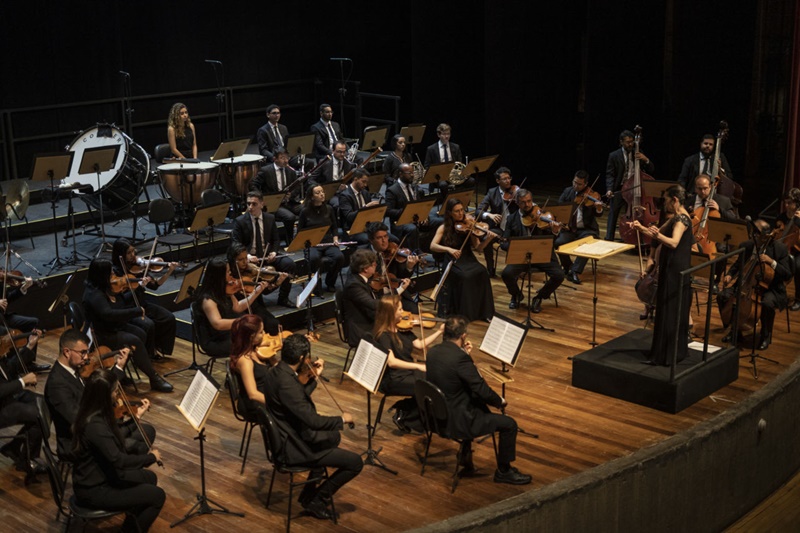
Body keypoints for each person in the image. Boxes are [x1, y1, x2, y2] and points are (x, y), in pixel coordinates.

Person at [263, 334, 363, 520]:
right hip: (295, 448)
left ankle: (308, 492)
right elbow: (313, 421)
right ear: (302, 358)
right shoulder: (287, 384)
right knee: (355, 463)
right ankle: (317, 500)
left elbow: (296, 401)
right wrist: (342, 419)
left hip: (288, 435)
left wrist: (313, 379)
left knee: (333, 437)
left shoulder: (276, 372)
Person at [425, 316, 531, 485]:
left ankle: (465, 454)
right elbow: (480, 388)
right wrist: (500, 402)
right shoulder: (460, 359)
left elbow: (454, 377)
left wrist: (465, 355)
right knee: (509, 424)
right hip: (459, 421)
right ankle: (504, 471)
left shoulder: (432, 352)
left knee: (475, 404)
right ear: (463, 336)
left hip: (437, 417)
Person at [71, 369, 165, 533]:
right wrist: (150, 457)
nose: (117, 395)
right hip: (95, 489)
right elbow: (119, 460)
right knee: (158, 496)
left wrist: (135, 419)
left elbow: (115, 435)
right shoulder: (95, 425)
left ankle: (130, 524)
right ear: (104, 396)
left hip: (105, 474)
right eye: (115, 391)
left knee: (150, 478)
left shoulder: (95, 414)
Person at [44, 329, 156, 458]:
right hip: (79, 442)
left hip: (94, 429)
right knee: (134, 446)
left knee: (147, 431)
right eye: (82, 353)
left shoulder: (73, 371)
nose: (86, 357)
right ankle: (118, 472)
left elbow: (97, 391)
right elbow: (78, 421)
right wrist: (112, 426)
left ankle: (122, 469)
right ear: (67, 352)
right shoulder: (57, 384)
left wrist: (118, 366)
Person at [82, 259, 173, 393]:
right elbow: (109, 314)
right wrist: (134, 312)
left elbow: (123, 300)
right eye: (111, 273)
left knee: (141, 332)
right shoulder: (94, 295)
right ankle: (154, 378)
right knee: (134, 340)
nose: (114, 276)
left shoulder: (105, 288)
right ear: (102, 276)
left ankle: (121, 370)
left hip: (113, 327)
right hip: (102, 334)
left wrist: (140, 286)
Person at [629, 184, 693, 365]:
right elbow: (656, 232)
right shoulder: (676, 218)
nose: (663, 204)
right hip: (670, 268)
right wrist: (640, 228)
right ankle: (670, 352)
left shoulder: (681, 220)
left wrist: (657, 236)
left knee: (671, 310)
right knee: (667, 309)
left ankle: (667, 355)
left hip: (675, 270)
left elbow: (673, 243)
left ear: (675, 200)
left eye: (665, 200)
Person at [717, 219, 792, 350]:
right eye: (754, 233)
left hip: (771, 287)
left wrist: (771, 262)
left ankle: (765, 335)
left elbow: (787, 274)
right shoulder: (747, 245)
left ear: (766, 235)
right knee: (722, 295)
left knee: (767, 304)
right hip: (747, 285)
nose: (754, 236)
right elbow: (737, 265)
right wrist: (729, 274)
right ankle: (736, 331)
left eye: (758, 234)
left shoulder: (779, 249)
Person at [373, 295, 441, 433]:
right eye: (400, 309)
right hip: (394, 378)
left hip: (408, 373)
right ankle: (406, 417)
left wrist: (440, 332)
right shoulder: (383, 336)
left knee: (436, 379)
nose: (404, 312)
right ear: (390, 313)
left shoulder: (403, 329)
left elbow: (420, 345)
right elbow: (392, 362)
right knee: (429, 387)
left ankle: (404, 408)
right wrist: (417, 365)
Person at [111, 238, 178, 360]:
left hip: (142, 304)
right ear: (120, 254)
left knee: (168, 318)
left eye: (133, 252)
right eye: (129, 253)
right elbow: (122, 299)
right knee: (148, 324)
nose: (133, 256)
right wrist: (139, 286)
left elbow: (155, 286)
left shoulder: (138, 267)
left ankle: (160, 347)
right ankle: (147, 355)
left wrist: (169, 271)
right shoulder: (116, 273)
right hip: (129, 309)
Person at [430, 198, 495, 322]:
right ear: (450, 213)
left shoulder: (469, 225)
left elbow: (478, 248)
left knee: (482, 271)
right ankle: (467, 313)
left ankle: (484, 312)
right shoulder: (443, 228)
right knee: (465, 276)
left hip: (467, 257)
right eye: (457, 211)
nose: (461, 214)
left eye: (462, 210)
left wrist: (487, 240)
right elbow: (432, 245)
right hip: (453, 260)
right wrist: (449, 249)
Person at [500, 189, 564, 313]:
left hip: (542, 255)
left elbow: (552, 241)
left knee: (559, 275)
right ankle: (516, 295)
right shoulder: (512, 218)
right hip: (521, 257)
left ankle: (540, 296)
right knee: (506, 274)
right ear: (517, 203)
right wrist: (514, 246)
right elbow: (504, 242)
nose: (528, 205)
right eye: (523, 202)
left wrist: (555, 231)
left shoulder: (543, 215)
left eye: (529, 201)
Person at [231, 191, 297, 307]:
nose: (250, 207)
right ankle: (255, 299)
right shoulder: (240, 221)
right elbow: (235, 243)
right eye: (248, 204)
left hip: (266, 256)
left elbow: (276, 240)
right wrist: (247, 256)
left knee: (289, 264)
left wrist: (274, 252)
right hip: (250, 259)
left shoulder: (270, 218)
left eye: (254, 204)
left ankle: (283, 298)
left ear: (262, 204)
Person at [194, 259, 269, 358]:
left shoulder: (224, 290)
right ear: (219, 276)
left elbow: (237, 307)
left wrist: (256, 292)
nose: (231, 275)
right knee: (251, 340)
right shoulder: (208, 300)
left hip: (228, 333)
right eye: (228, 272)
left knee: (255, 337)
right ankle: (243, 370)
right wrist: (242, 322)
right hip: (216, 340)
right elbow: (218, 324)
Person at [0, 332, 45, 480]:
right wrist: (22, 382)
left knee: (42, 404)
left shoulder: (2, 357)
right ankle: (27, 460)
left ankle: (14, 448)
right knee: (37, 415)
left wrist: (29, 345)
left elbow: (10, 369)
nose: (6, 344)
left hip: (7, 399)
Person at [604, 129, 654, 241]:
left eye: (632, 141)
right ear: (621, 142)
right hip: (619, 188)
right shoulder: (614, 155)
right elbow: (610, 174)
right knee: (613, 213)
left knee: (631, 215)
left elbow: (651, 169)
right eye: (627, 142)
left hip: (633, 189)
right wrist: (609, 189)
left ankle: (627, 237)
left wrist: (645, 159)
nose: (630, 144)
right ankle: (609, 238)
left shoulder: (638, 152)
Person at [555, 170, 603, 284]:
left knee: (588, 243)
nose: (575, 186)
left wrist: (599, 208)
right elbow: (559, 207)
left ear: (585, 184)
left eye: (579, 184)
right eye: (574, 182)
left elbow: (598, 214)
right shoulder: (568, 192)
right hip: (570, 228)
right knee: (558, 243)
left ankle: (575, 271)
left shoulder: (592, 195)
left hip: (587, 229)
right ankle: (567, 266)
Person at [297, 185, 345, 293]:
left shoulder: (329, 208)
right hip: (312, 243)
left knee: (339, 257)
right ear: (312, 196)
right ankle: (316, 285)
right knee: (314, 259)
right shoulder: (305, 212)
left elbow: (334, 227)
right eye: (318, 193)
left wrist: (335, 238)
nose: (322, 194)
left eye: (322, 191)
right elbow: (300, 231)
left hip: (327, 242)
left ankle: (330, 282)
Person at [229, 314, 276, 419]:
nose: (265, 334)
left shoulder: (255, 349)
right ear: (251, 337)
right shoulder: (245, 361)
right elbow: (253, 394)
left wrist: (273, 358)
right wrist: (277, 403)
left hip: (267, 393)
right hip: (255, 404)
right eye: (261, 332)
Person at [0, 275, 49, 373]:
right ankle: (10, 367)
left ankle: (27, 363)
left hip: (2, 316)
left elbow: (6, 299)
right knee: (9, 334)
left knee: (33, 323)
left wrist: (23, 288)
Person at [365, 222, 418, 313]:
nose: (384, 240)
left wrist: (409, 266)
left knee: (415, 311)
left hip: (396, 292)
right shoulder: (364, 256)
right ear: (371, 240)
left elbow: (401, 276)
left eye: (385, 236)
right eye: (379, 238)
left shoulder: (393, 250)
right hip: (377, 298)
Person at [249, 147, 302, 238]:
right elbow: (253, 185)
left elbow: (297, 187)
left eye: (287, 157)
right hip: (274, 204)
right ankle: (289, 241)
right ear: (275, 159)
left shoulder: (290, 171)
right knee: (290, 217)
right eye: (282, 158)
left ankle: (301, 237)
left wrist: (291, 195)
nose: (286, 160)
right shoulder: (266, 171)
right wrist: (261, 198)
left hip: (289, 202)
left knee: (307, 209)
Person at [476, 166, 519, 276]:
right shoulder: (492, 192)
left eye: (509, 178)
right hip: (499, 227)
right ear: (497, 181)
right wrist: (490, 215)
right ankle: (490, 268)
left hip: (514, 228)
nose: (508, 181)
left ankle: (515, 269)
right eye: (504, 179)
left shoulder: (517, 192)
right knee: (487, 239)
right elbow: (479, 211)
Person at [385, 163, 439, 251]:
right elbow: (388, 211)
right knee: (412, 228)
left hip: (416, 218)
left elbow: (420, 205)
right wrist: (407, 212)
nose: (412, 175)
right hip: (400, 222)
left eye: (413, 173)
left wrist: (424, 215)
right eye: (409, 173)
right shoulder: (392, 190)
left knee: (439, 222)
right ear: (400, 174)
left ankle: (434, 251)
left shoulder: (414, 187)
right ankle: (416, 254)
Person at [423, 123, 474, 194]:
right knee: (443, 185)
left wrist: (464, 172)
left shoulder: (456, 147)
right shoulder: (431, 149)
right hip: (440, 177)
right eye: (444, 134)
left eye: (448, 134)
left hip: (454, 175)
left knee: (471, 181)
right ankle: (447, 203)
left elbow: (460, 164)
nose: (447, 136)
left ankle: (464, 202)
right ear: (438, 135)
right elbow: (427, 166)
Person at [341, 249, 379, 342]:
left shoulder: (361, 279)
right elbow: (371, 304)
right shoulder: (354, 285)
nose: (376, 266)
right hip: (360, 328)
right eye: (374, 265)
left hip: (367, 319)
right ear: (366, 268)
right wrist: (391, 303)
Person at [339, 168, 381, 244]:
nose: (365, 185)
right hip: (352, 230)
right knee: (371, 239)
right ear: (355, 179)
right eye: (363, 182)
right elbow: (349, 217)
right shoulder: (345, 196)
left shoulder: (365, 193)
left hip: (367, 227)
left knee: (389, 237)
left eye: (366, 182)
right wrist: (365, 207)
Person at [308, 140, 353, 209]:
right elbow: (311, 179)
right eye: (339, 152)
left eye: (344, 152)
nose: (342, 154)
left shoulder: (348, 164)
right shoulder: (324, 163)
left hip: (344, 192)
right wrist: (320, 189)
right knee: (339, 205)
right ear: (333, 151)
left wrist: (346, 187)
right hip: (330, 194)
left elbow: (352, 182)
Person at [775, 188, 800, 311]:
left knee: (798, 265)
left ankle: (799, 299)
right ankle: (777, 294)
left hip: (798, 251)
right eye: (785, 202)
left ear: (797, 203)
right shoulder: (781, 217)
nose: (786, 205)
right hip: (784, 249)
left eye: (789, 202)